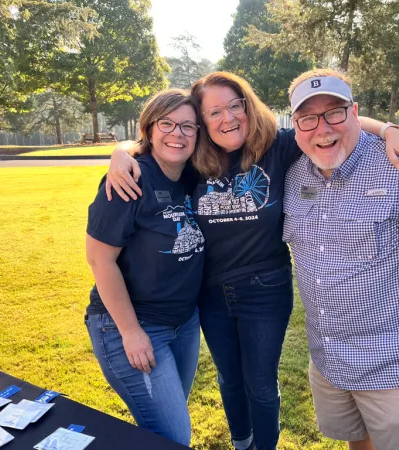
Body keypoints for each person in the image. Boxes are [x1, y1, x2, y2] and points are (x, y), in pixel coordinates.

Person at [105, 71, 399, 450]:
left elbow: (330, 123)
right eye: (213, 113)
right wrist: (120, 152)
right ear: (202, 122)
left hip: (266, 289)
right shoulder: (194, 159)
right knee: (229, 379)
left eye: (234, 106)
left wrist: (390, 128)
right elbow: (158, 144)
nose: (227, 118)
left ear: (248, 106)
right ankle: (241, 441)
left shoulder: (278, 146)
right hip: (210, 290)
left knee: (260, 383)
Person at [284, 69, 399, 450]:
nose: (323, 129)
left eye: (335, 112)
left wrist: (387, 130)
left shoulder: (393, 165)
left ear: (354, 113)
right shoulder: (292, 171)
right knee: (355, 443)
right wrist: (124, 152)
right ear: (295, 125)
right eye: (308, 117)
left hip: (389, 365)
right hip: (328, 359)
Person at [84, 89, 205, 446]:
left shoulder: (192, 177)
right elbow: (99, 259)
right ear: (150, 129)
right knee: (174, 437)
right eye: (166, 123)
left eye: (187, 126)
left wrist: (119, 150)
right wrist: (132, 332)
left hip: (183, 324)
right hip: (130, 327)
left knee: (164, 426)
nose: (177, 133)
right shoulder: (128, 180)